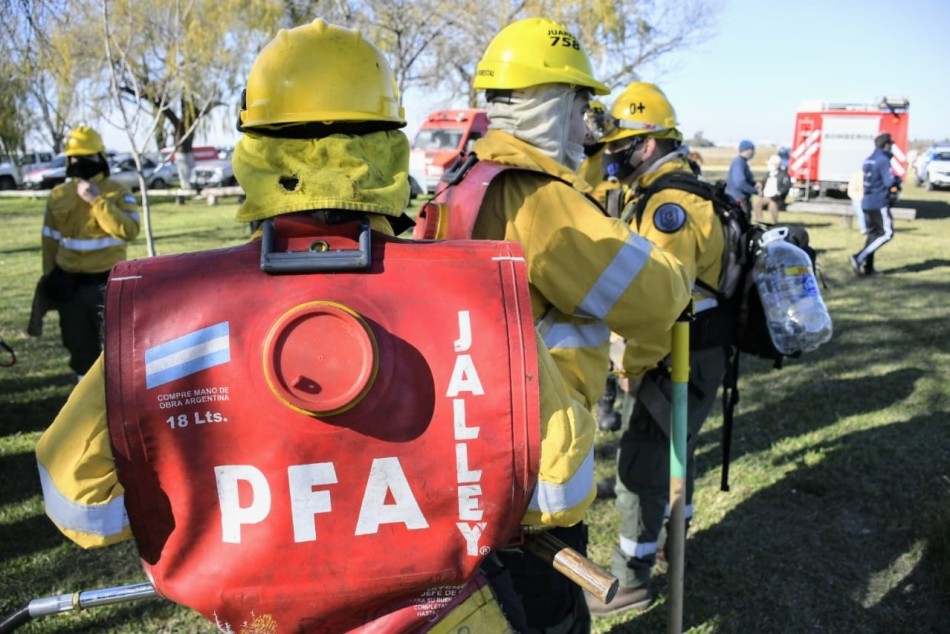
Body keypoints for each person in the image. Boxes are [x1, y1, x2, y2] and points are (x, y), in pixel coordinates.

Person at [34, 19, 602, 632]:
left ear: (254, 152)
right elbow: (561, 490)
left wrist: (211, 501)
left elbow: (77, 500)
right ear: (387, 148)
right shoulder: (472, 295)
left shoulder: (173, 314)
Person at [424, 18, 692, 632]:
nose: (586, 127)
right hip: (535, 472)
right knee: (551, 619)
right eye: (580, 108)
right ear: (551, 105)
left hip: (469, 450)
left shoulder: (465, 179)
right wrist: (670, 269)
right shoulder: (540, 198)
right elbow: (656, 298)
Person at [585, 81, 729, 617]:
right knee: (675, 456)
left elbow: (659, 301)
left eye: (620, 146)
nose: (612, 157)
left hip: (674, 353)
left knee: (641, 466)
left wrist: (634, 362)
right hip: (692, 348)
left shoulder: (668, 204)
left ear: (646, 144)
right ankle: (674, 544)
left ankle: (631, 578)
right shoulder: (679, 191)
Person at [40, 125, 140, 380]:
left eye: (88, 156)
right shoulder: (58, 195)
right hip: (70, 286)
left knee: (117, 349)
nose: (81, 162)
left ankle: (117, 396)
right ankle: (83, 393)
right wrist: (49, 279)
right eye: (75, 157)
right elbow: (49, 241)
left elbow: (129, 231)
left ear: (100, 157)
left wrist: (96, 201)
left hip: (107, 285)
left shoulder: (118, 191)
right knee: (79, 348)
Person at [850, 132, 901, 276]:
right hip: (878, 202)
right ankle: (858, 257)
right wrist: (897, 180)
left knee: (873, 235)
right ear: (886, 145)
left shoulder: (868, 159)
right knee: (887, 233)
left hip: (866, 202)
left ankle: (869, 268)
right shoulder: (883, 160)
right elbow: (889, 182)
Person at [725, 139, 760, 215]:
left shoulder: (742, 162)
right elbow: (740, 182)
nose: (754, 152)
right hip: (738, 199)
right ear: (747, 150)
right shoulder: (739, 162)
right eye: (752, 149)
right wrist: (755, 191)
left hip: (739, 198)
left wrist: (753, 184)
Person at [753, 154, 790, 224]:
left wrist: (779, 193)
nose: (769, 166)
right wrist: (760, 185)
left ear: (777, 165)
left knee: (772, 205)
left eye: (771, 164)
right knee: (757, 203)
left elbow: (786, 186)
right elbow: (763, 182)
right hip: (766, 196)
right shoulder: (768, 174)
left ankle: (774, 223)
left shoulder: (783, 174)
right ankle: (760, 222)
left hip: (776, 198)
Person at [847, 169, 868, 233]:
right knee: (861, 214)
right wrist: (860, 198)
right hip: (858, 199)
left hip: (869, 199)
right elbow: (851, 191)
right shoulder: (857, 176)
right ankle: (864, 229)